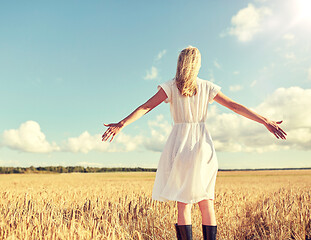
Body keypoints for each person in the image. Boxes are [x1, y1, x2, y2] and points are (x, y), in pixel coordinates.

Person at [102, 46, 287, 240]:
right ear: (197, 64)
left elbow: (146, 107)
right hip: (202, 146)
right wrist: (265, 120)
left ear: (180, 63)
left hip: (179, 145)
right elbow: (234, 106)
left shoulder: (171, 86)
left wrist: (121, 123)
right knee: (206, 201)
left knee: (184, 203)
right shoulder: (207, 86)